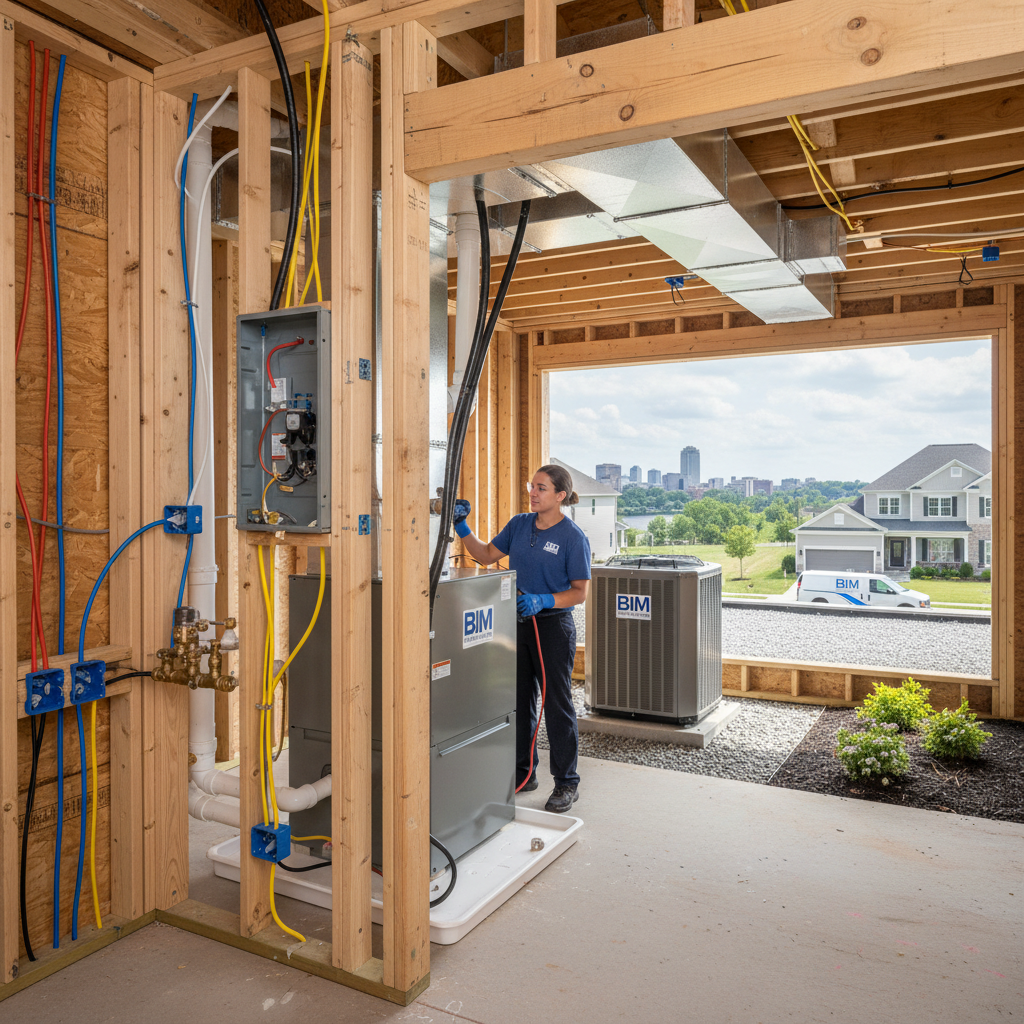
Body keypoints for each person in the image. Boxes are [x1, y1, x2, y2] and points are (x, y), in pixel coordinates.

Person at [453, 464, 591, 813]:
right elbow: (485, 556)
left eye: (541, 488)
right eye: (532, 486)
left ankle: (567, 783)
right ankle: (524, 773)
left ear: (560, 496)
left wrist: (545, 600)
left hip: (553, 627)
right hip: (518, 623)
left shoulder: (573, 537)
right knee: (520, 701)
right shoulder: (519, 525)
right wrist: (461, 526)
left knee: (557, 704)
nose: (533, 492)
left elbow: (579, 593)